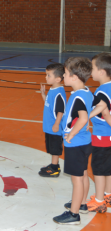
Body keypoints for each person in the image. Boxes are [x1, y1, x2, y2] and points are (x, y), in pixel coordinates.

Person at [53, 57, 93, 225]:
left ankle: (73, 214)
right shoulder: (86, 92)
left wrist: (71, 135)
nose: (63, 76)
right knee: (83, 174)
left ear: (75, 77)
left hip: (75, 144)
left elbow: (83, 119)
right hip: (84, 142)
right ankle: (82, 203)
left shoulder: (78, 98)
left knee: (76, 180)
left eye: (66, 73)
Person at [85, 53, 111, 213]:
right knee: (108, 167)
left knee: (99, 168)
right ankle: (108, 195)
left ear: (101, 72)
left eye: (92, 68)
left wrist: (84, 120)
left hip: (102, 136)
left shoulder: (101, 93)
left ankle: (100, 201)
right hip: (109, 136)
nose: (90, 72)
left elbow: (100, 112)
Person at [39, 63, 66, 177]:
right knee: (51, 147)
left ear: (58, 79)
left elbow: (60, 111)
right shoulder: (53, 89)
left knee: (55, 149)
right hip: (49, 126)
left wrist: (56, 124)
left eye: (48, 75)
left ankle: (54, 169)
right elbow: (49, 104)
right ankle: (53, 165)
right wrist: (43, 95)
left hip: (54, 127)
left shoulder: (59, 93)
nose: (46, 77)